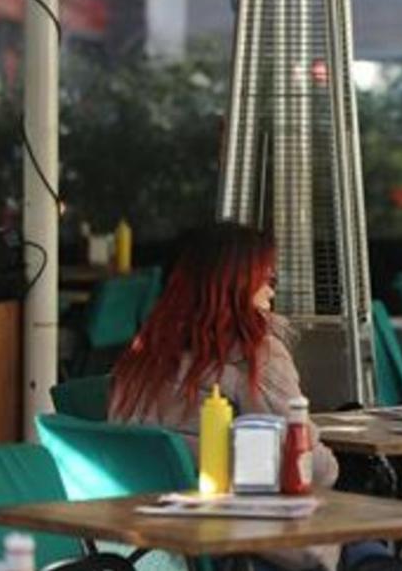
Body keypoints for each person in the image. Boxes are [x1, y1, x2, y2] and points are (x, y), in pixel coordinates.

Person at [109, 223, 346, 571]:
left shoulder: (139, 357)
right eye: (267, 279)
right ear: (239, 286)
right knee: (360, 533)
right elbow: (314, 470)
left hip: (144, 548)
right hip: (236, 545)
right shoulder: (256, 357)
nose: (270, 292)